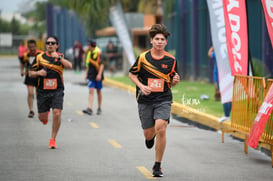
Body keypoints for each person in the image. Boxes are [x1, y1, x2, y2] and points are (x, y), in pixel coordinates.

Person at [128, 24, 180, 177]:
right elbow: (132, 74)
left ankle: (157, 165)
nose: (159, 41)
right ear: (151, 41)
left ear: (166, 42)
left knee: (161, 126)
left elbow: (172, 80)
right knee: (149, 134)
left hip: (163, 98)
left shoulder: (171, 60)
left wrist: (176, 80)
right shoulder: (143, 58)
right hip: (145, 100)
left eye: (162, 39)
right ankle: (150, 138)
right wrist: (141, 86)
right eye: (156, 39)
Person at [29, 35, 72, 149]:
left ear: (57, 46)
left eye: (53, 43)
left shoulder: (61, 56)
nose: (50, 45)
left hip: (57, 90)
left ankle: (52, 139)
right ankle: (45, 115)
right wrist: (39, 73)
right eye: (48, 43)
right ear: (45, 45)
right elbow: (30, 73)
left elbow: (70, 66)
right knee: (42, 118)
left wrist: (59, 58)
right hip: (42, 91)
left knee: (57, 113)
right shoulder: (39, 57)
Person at [208, 46, 232, 122]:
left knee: (225, 96)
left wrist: (213, 47)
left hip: (220, 77)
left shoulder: (217, 54)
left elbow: (209, 54)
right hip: (228, 76)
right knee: (228, 96)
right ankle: (227, 115)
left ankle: (227, 115)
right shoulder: (229, 55)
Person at [21, 39, 43, 118]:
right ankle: (31, 110)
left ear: (36, 46)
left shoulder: (41, 54)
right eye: (30, 47)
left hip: (39, 76)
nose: (32, 49)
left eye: (33, 47)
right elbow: (22, 63)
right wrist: (22, 71)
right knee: (30, 93)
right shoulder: (26, 55)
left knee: (39, 94)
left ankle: (41, 110)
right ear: (28, 47)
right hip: (29, 76)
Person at [82, 39, 104, 116]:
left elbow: (101, 65)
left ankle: (99, 108)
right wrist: (86, 74)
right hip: (91, 75)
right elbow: (88, 65)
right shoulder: (89, 53)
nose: (88, 47)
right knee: (91, 90)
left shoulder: (98, 53)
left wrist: (99, 74)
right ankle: (90, 108)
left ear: (91, 46)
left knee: (98, 91)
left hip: (98, 75)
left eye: (89, 45)